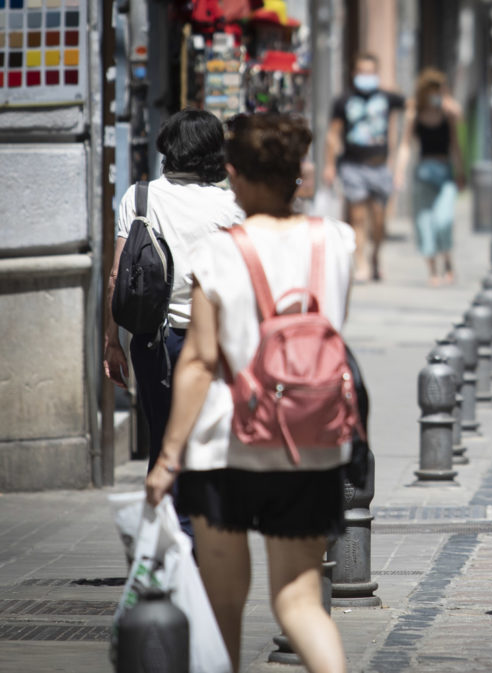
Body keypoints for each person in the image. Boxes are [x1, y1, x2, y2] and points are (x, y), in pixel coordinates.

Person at [145, 113, 354, 673]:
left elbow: (198, 360)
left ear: (235, 175)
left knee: (222, 609)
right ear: (298, 177)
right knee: (300, 602)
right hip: (309, 442)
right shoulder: (336, 241)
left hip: (224, 444)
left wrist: (167, 459)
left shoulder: (219, 252)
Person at [104, 107, 243, 477]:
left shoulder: (140, 198)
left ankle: (166, 521)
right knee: (209, 445)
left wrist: (112, 339)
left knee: (164, 441)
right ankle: (203, 528)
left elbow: (118, 276)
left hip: (153, 343)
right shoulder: (231, 205)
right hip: (214, 343)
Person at [324, 52, 406, 282]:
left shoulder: (387, 98)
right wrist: (329, 164)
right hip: (353, 166)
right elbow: (333, 133)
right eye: (362, 72)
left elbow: (411, 105)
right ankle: (360, 262)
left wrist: (402, 153)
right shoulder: (344, 100)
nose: (366, 76)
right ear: (354, 74)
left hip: (379, 167)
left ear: (377, 74)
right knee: (357, 218)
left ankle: (376, 256)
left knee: (379, 220)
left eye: (371, 72)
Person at [395, 68, 466, 285]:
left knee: (443, 220)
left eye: (439, 90)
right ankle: (433, 271)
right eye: (431, 90)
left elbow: (456, 140)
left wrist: (461, 170)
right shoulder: (414, 114)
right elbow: (405, 145)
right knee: (424, 223)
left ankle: (448, 261)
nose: (435, 94)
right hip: (423, 172)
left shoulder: (447, 113)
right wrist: (399, 172)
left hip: (445, 173)